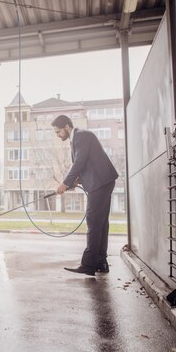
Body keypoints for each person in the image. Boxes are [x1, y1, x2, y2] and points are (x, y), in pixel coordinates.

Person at [52, 114, 119, 276]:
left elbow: (80, 162)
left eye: (58, 131)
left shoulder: (81, 136)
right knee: (101, 224)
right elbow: (87, 164)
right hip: (102, 181)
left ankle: (88, 264)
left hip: (100, 182)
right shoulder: (78, 139)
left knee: (93, 221)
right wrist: (76, 181)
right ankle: (101, 263)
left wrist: (65, 183)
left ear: (67, 127)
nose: (57, 135)